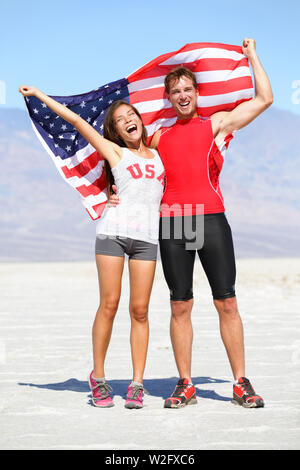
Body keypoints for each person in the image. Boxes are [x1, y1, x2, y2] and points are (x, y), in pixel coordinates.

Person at [109, 38, 273, 408]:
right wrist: (112, 190)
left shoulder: (214, 124)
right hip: (176, 222)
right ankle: (185, 383)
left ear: (197, 93)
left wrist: (252, 56)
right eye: (175, 91)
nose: (182, 95)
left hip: (211, 218)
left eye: (187, 89)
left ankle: (240, 382)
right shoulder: (159, 136)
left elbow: (265, 100)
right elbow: (124, 158)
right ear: (168, 98)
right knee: (180, 304)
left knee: (226, 302)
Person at [18, 86, 165, 409]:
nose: (128, 120)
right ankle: (98, 378)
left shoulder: (158, 153)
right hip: (113, 232)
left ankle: (136, 383)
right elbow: (76, 121)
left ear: (140, 121)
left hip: (147, 240)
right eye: (120, 119)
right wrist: (41, 96)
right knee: (109, 305)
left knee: (139, 311)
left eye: (132, 115)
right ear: (114, 130)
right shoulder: (115, 152)